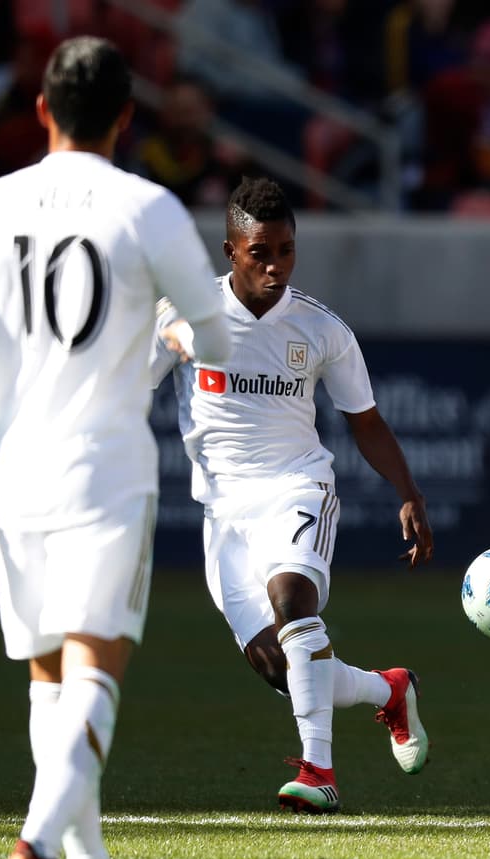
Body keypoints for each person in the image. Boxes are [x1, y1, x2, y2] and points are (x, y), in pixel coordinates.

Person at [0, 37, 233, 859]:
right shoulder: (146, 208)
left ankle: (85, 855)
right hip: (104, 465)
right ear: (127, 119)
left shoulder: (0, 202)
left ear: (40, 110)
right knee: (95, 669)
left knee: (47, 678)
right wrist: (168, 323)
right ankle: (32, 850)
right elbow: (212, 331)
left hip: (14, 468)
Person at [150, 177, 434, 814]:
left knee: (293, 601)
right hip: (222, 512)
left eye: (286, 250)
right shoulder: (186, 318)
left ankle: (318, 772)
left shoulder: (320, 328)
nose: (276, 266)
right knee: (282, 669)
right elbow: (125, 385)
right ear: (231, 250)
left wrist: (408, 491)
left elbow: (364, 419)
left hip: (296, 484)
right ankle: (389, 690)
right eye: (261, 253)